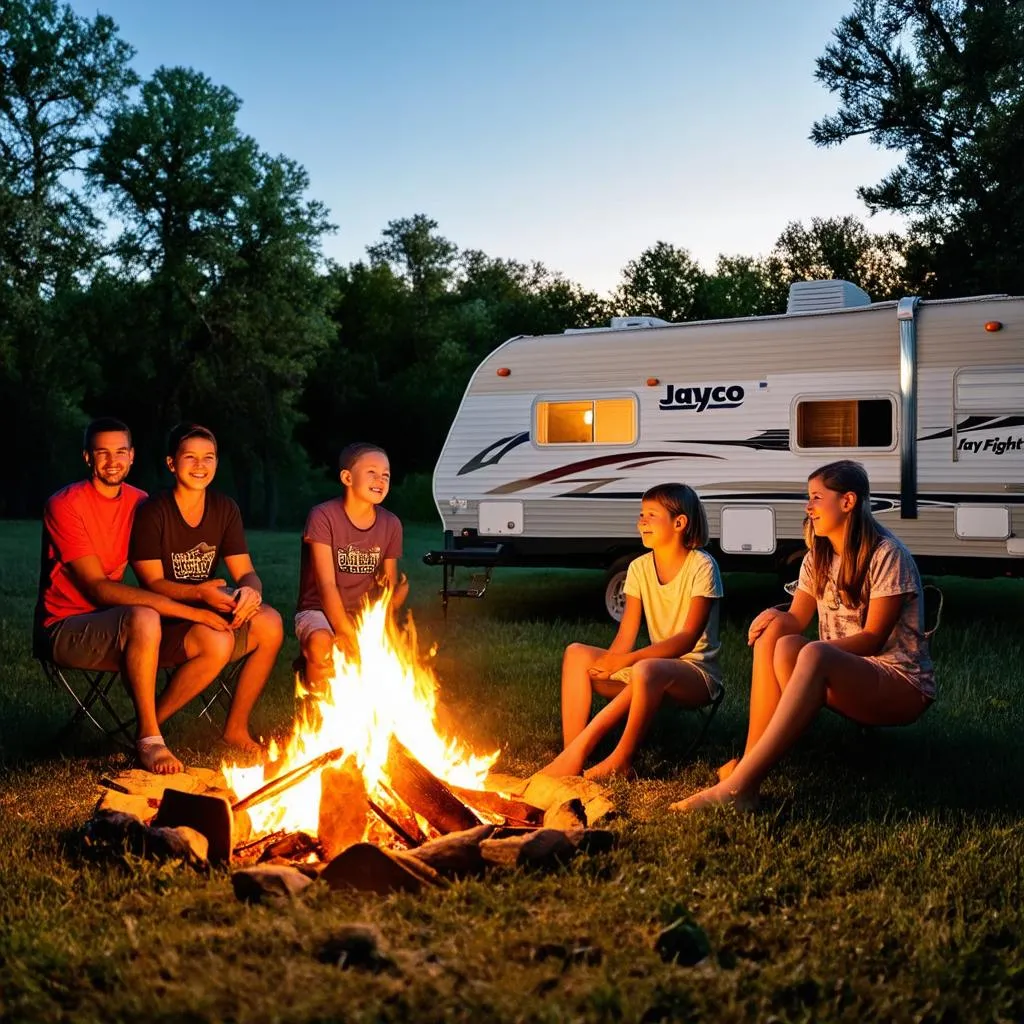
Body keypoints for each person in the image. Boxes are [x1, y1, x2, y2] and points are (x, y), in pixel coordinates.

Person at [673, 459, 935, 813]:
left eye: (815, 497)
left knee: (812, 653)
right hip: (850, 672)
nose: (807, 507)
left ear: (847, 501)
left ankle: (739, 787)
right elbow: (797, 617)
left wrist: (816, 654)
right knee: (775, 637)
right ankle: (751, 765)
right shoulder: (819, 556)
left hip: (900, 683)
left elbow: (873, 638)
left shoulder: (886, 555)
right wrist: (772, 616)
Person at [35, 418, 235, 775]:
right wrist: (191, 612)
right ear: (87, 458)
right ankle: (148, 740)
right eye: (102, 452)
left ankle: (144, 725)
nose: (113, 461)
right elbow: (96, 587)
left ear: (132, 456)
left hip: (123, 625)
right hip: (65, 627)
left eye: (121, 452)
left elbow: (162, 572)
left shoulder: (142, 502)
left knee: (217, 640)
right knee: (144, 616)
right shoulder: (65, 504)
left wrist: (208, 597)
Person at [540, 482, 724, 780]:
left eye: (651, 515)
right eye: (641, 514)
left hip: (696, 676)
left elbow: (686, 639)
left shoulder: (702, 566)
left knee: (647, 669)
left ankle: (621, 760)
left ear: (679, 523)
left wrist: (627, 662)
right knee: (576, 654)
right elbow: (626, 634)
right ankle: (570, 754)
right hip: (650, 672)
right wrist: (612, 662)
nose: (642, 521)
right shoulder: (638, 568)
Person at [129, 423, 284, 754]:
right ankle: (148, 730)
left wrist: (250, 592)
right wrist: (200, 594)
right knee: (218, 640)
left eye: (209, 457)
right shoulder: (153, 511)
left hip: (210, 606)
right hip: (166, 616)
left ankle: (236, 728)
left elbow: (246, 572)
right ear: (172, 463)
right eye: (190, 457)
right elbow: (152, 584)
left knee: (270, 623)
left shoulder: (224, 508)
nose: (200, 465)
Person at [295, 442, 409, 685]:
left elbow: (387, 587)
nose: (380, 480)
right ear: (347, 477)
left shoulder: (391, 524)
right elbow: (326, 585)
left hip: (363, 612)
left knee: (396, 653)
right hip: (319, 609)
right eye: (372, 472)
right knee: (321, 645)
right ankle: (317, 709)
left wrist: (395, 599)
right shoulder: (323, 516)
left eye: (386, 475)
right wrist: (347, 632)